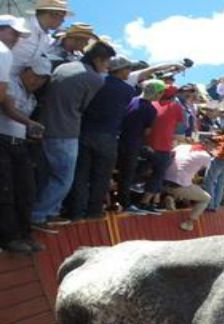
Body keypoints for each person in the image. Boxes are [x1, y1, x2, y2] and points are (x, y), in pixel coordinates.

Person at [32, 40, 113, 228]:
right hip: (65, 130)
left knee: (47, 176)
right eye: (107, 61)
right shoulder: (94, 79)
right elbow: (85, 107)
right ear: (99, 59)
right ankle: (39, 215)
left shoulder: (63, 67)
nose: (107, 66)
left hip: (43, 125)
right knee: (63, 178)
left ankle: (50, 212)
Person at [69, 55, 136, 221]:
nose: (129, 72)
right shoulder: (128, 90)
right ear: (120, 70)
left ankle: (76, 212)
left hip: (84, 132)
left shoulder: (96, 82)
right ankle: (94, 212)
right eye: (128, 68)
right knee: (101, 176)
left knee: (81, 175)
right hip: (108, 136)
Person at [0, 15, 40, 253]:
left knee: (20, 188)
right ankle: (11, 237)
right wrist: (29, 122)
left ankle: (20, 235)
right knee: (7, 188)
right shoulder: (3, 53)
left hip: (13, 138)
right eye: (13, 33)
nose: (16, 39)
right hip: (4, 136)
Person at [116, 80, 164, 213]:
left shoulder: (131, 100)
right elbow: (147, 131)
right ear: (157, 93)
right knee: (128, 174)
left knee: (151, 161)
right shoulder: (150, 109)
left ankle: (134, 183)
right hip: (132, 143)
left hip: (119, 139)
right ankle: (126, 202)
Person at [141, 85, 183, 211]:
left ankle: (154, 202)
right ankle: (145, 202)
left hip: (146, 144)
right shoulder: (175, 107)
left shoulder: (151, 104)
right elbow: (179, 127)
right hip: (163, 146)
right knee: (158, 175)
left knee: (146, 173)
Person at [11, 0, 69, 75]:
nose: (63, 20)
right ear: (51, 15)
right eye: (62, 16)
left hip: (15, 82)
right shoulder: (20, 25)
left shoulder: (46, 38)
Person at [164, 143, 211, 231]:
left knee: (188, 183)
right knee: (206, 198)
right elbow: (201, 171)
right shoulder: (206, 156)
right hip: (179, 185)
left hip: (163, 179)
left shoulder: (182, 146)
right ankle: (188, 223)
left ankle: (170, 196)